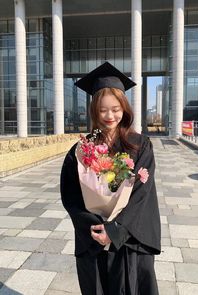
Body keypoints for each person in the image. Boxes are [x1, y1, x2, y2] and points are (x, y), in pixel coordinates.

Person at [60, 62, 161, 295]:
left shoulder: (140, 145)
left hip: (131, 239)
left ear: (124, 108)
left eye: (115, 109)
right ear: (94, 110)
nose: (109, 115)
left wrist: (115, 231)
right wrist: (97, 229)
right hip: (93, 239)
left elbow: (141, 195)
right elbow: (71, 196)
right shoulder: (82, 149)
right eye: (103, 110)